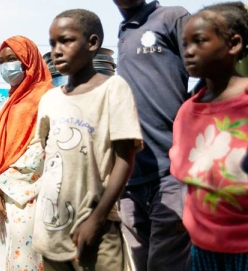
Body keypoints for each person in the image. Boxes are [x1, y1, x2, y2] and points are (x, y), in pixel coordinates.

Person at [31, 9, 143, 271]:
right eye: (52, 43)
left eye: (66, 41)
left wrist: (98, 217)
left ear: (92, 43)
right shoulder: (50, 99)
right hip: (52, 231)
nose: (57, 50)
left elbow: (125, 159)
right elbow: (47, 155)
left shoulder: (113, 89)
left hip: (96, 229)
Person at [113, 1, 192, 270]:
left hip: (172, 170)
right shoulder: (123, 31)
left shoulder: (171, 16)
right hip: (131, 178)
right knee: (139, 263)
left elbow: (208, 64)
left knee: (165, 264)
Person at [170, 2, 248, 270]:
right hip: (203, 248)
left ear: (234, 44)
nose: (188, 52)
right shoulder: (187, 112)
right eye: (185, 44)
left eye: (199, 41)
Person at [0, 35, 53, 271]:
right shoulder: (5, 104)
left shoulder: (48, 99)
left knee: (25, 260)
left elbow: (40, 151)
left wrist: (0, 185)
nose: (6, 66)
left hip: (29, 200)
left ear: (29, 60)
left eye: (13, 58)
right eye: (1, 61)